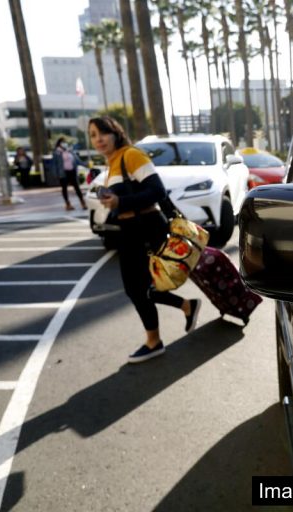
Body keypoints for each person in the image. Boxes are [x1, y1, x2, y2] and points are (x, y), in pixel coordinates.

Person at [89, 116, 201, 363]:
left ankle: (154, 341)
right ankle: (185, 308)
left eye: (102, 133)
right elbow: (125, 198)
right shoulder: (112, 164)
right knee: (140, 288)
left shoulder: (131, 155)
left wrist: (120, 201)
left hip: (146, 228)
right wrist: (113, 203)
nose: (98, 139)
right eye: (93, 135)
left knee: (138, 288)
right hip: (129, 229)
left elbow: (157, 191)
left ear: (115, 133)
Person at [53, 137, 87, 210]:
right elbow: (54, 165)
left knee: (77, 188)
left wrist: (86, 164)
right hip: (63, 173)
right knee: (64, 189)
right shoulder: (57, 152)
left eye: (65, 142)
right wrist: (56, 175)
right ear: (59, 144)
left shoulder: (70, 151)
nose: (64, 144)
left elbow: (77, 160)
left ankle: (83, 203)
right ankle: (68, 204)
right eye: (63, 142)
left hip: (72, 172)